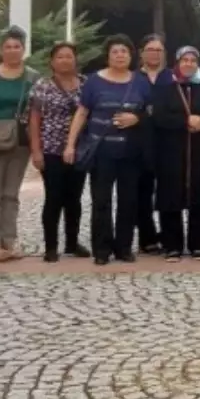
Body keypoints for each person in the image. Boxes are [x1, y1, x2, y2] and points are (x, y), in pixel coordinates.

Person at [64, 35, 152, 266]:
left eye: (124, 51)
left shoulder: (140, 82)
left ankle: (123, 247)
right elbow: (82, 113)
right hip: (101, 152)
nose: (120, 55)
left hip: (131, 153)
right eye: (115, 51)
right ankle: (101, 249)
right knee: (101, 200)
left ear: (131, 56)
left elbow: (151, 112)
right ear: (108, 55)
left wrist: (137, 117)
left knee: (128, 201)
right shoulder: (94, 81)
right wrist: (70, 144)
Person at [151, 46, 200, 261]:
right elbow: (158, 117)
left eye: (193, 60)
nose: (189, 64)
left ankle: (196, 243)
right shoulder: (165, 89)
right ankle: (172, 244)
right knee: (170, 198)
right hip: (171, 152)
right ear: (177, 62)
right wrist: (184, 121)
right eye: (184, 60)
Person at [0, 26, 41, 261]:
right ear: (0, 50)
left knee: (11, 193)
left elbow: (37, 110)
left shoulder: (32, 76)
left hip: (19, 141)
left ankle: (9, 239)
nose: (12, 51)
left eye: (17, 47)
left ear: (23, 49)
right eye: (8, 47)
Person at [28, 42, 90, 263]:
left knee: (74, 198)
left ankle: (72, 242)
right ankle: (51, 246)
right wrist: (36, 151)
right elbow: (34, 120)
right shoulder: (42, 86)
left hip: (80, 149)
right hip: (51, 149)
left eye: (69, 56)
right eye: (60, 57)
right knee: (54, 197)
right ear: (52, 61)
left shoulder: (85, 84)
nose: (65, 60)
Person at [136, 34, 172, 255]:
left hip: (167, 142)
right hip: (139, 142)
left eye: (158, 50)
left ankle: (169, 236)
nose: (154, 54)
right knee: (142, 192)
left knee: (167, 192)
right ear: (141, 53)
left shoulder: (171, 77)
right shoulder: (133, 78)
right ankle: (147, 236)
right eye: (150, 49)